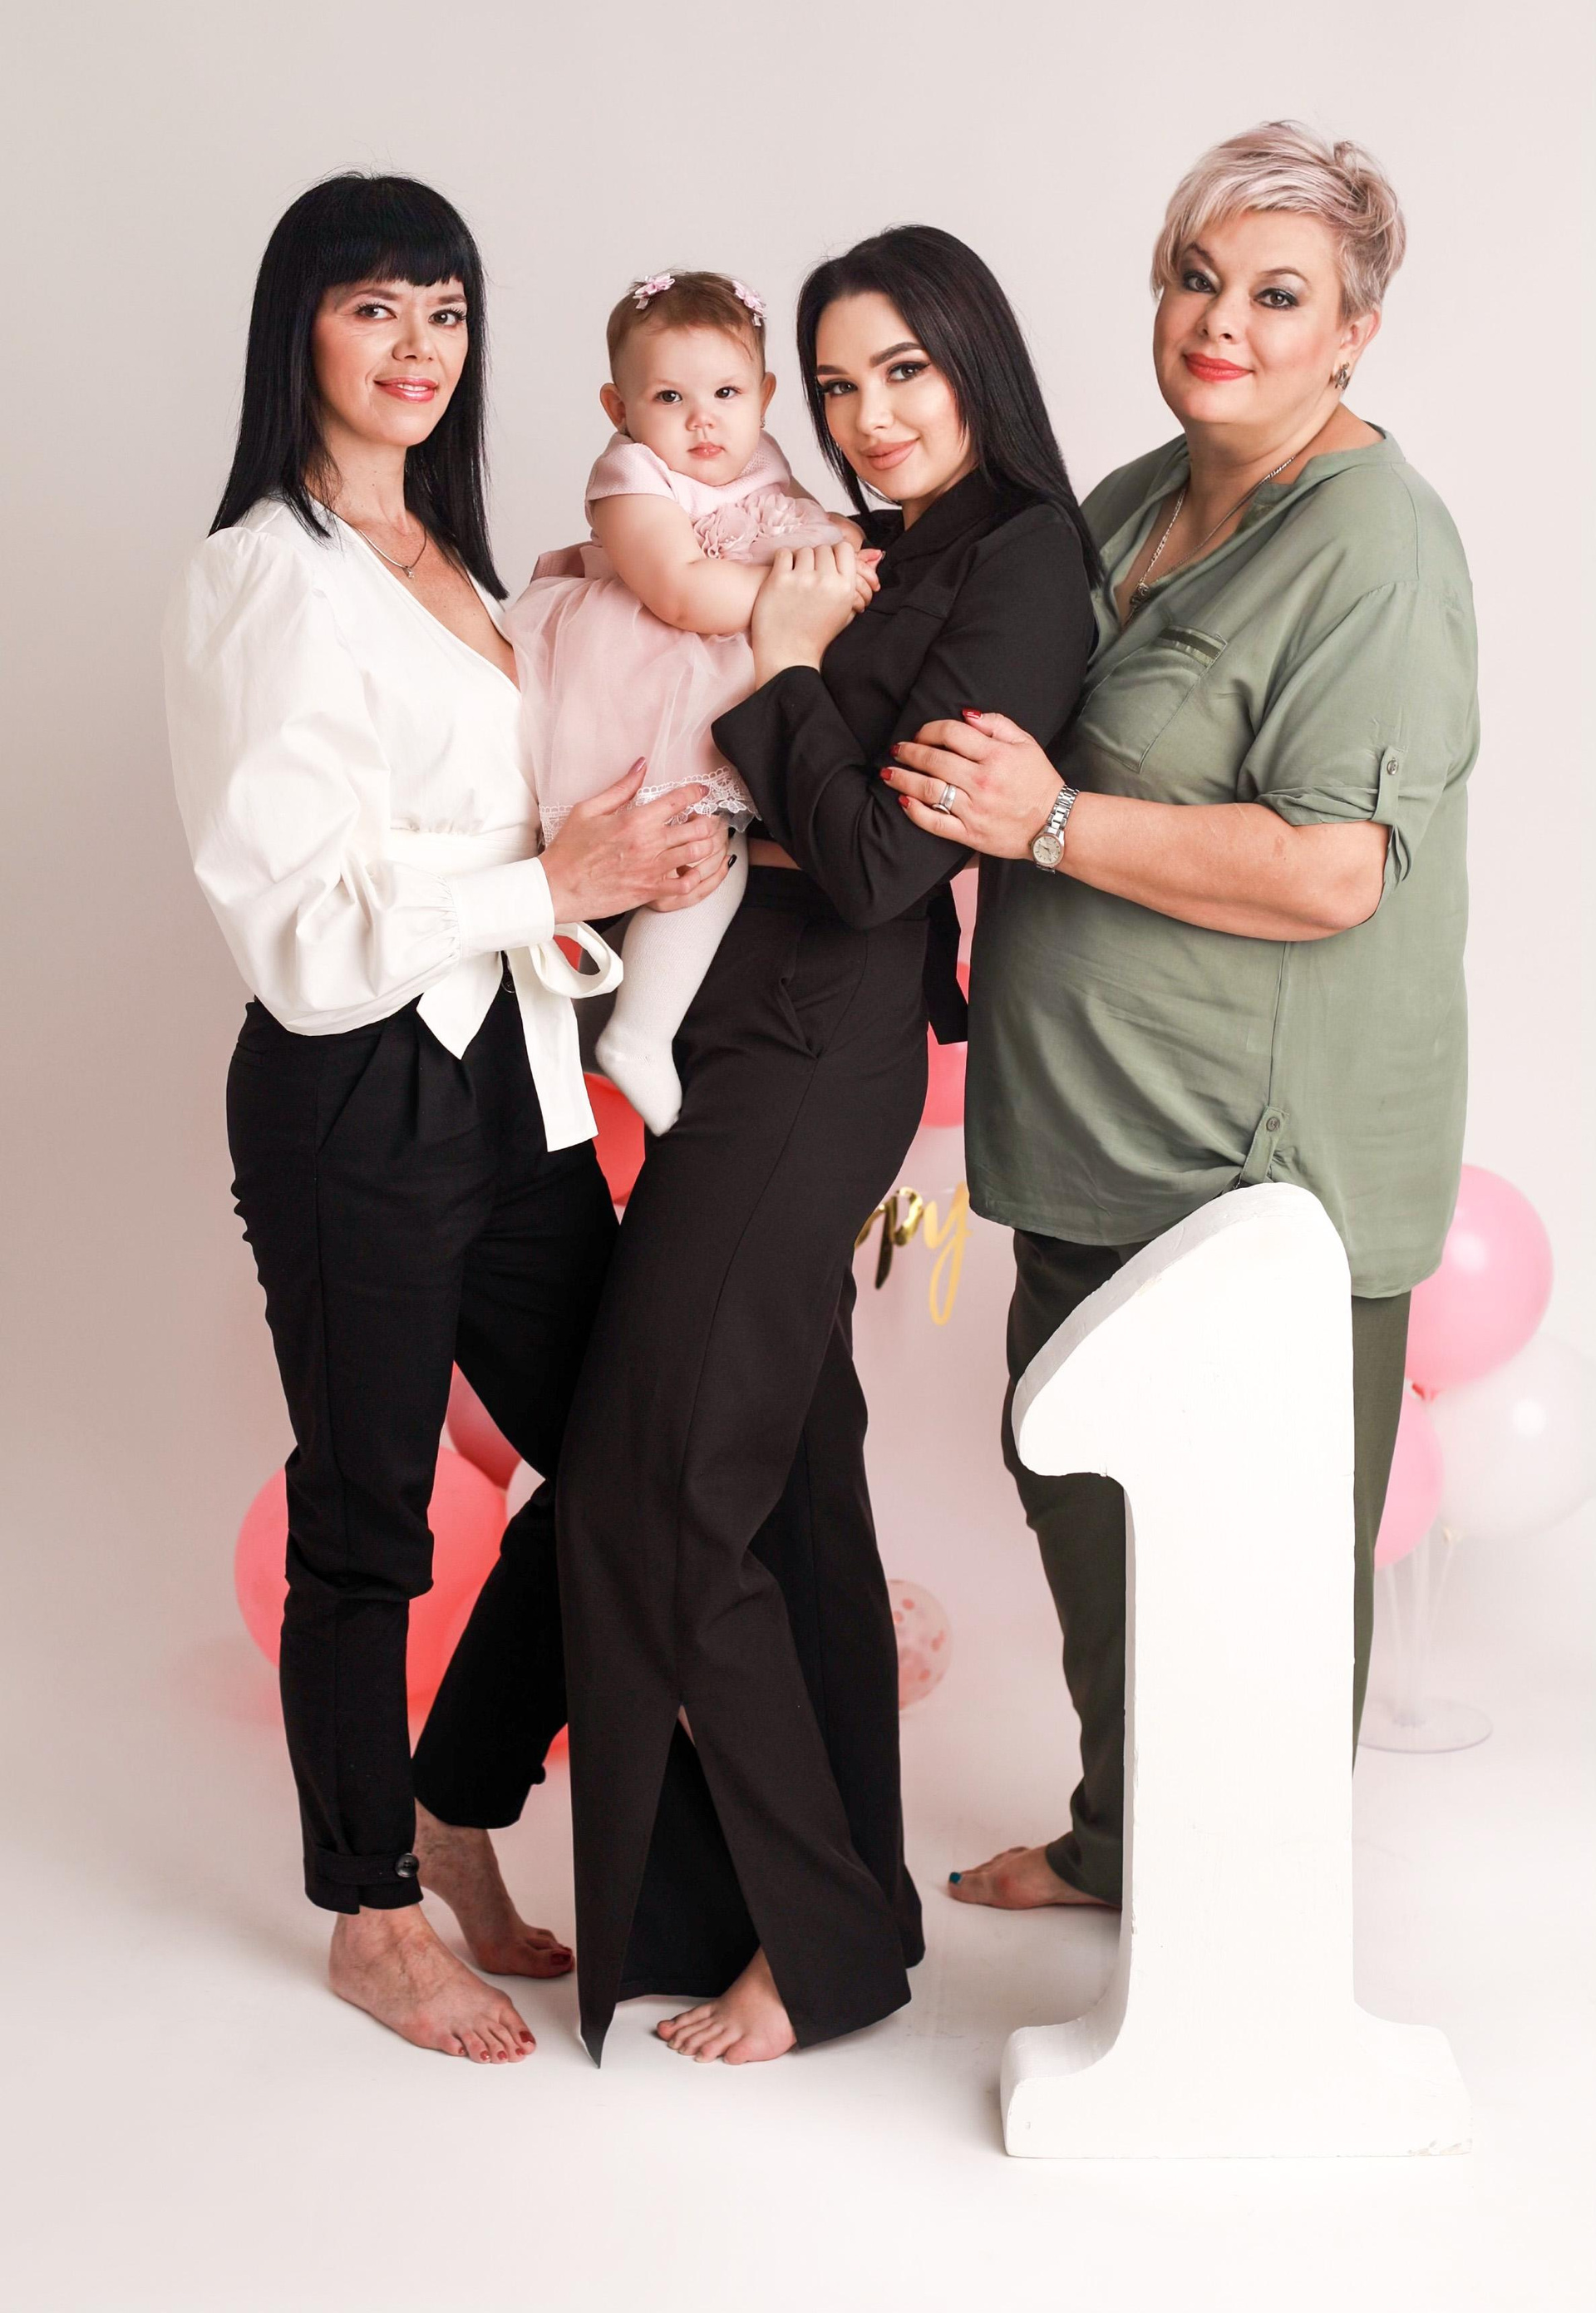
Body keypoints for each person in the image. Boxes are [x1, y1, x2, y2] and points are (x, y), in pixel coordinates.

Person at [164, 172, 729, 2060]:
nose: (418, 347)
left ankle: (454, 1800)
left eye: (447, 310)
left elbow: (507, 839)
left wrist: (611, 880)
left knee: (621, 1462)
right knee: (369, 1519)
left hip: (517, 1078)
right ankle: (370, 1910)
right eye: (375, 306)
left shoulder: (460, 567)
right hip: (356, 1091)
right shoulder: (267, 575)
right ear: (299, 329)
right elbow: (293, 918)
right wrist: (549, 875)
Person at [884, 124, 1479, 1916]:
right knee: (1089, 1501)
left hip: (1252, 1163)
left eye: (1279, 295)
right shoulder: (1144, 494)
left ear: (1355, 331)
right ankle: (1125, 1842)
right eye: (1195, 277)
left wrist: (1051, 824)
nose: (1222, 322)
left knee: (1252, 1567)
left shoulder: (1376, 543)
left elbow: (1334, 870)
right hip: (1088, 1134)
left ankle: (1250, 1929)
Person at [558, 224, 1099, 2064]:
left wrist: (778, 667)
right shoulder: (869, 539)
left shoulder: (1023, 557)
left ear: (976, 362)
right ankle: (791, 1911)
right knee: (783, 1484)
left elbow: (876, 866)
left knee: (653, 1483)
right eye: (844, 381)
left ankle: (821, 1939)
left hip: (818, 1034)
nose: (874, 416)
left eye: (908, 372)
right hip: (736, 1008)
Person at [511, 269, 869, 1133]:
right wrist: (805, 595)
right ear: (619, 407)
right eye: (670, 397)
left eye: (726, 393)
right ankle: (637, 1030)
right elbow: (679, 590)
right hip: (642, 682)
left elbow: (809, 526)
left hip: (718, 683)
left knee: (716, 848)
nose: (703, 420)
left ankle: (639, 1022)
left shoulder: (765, 463)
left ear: (766, 396)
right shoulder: (631, 472)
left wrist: (841, 544)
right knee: (693, 842)